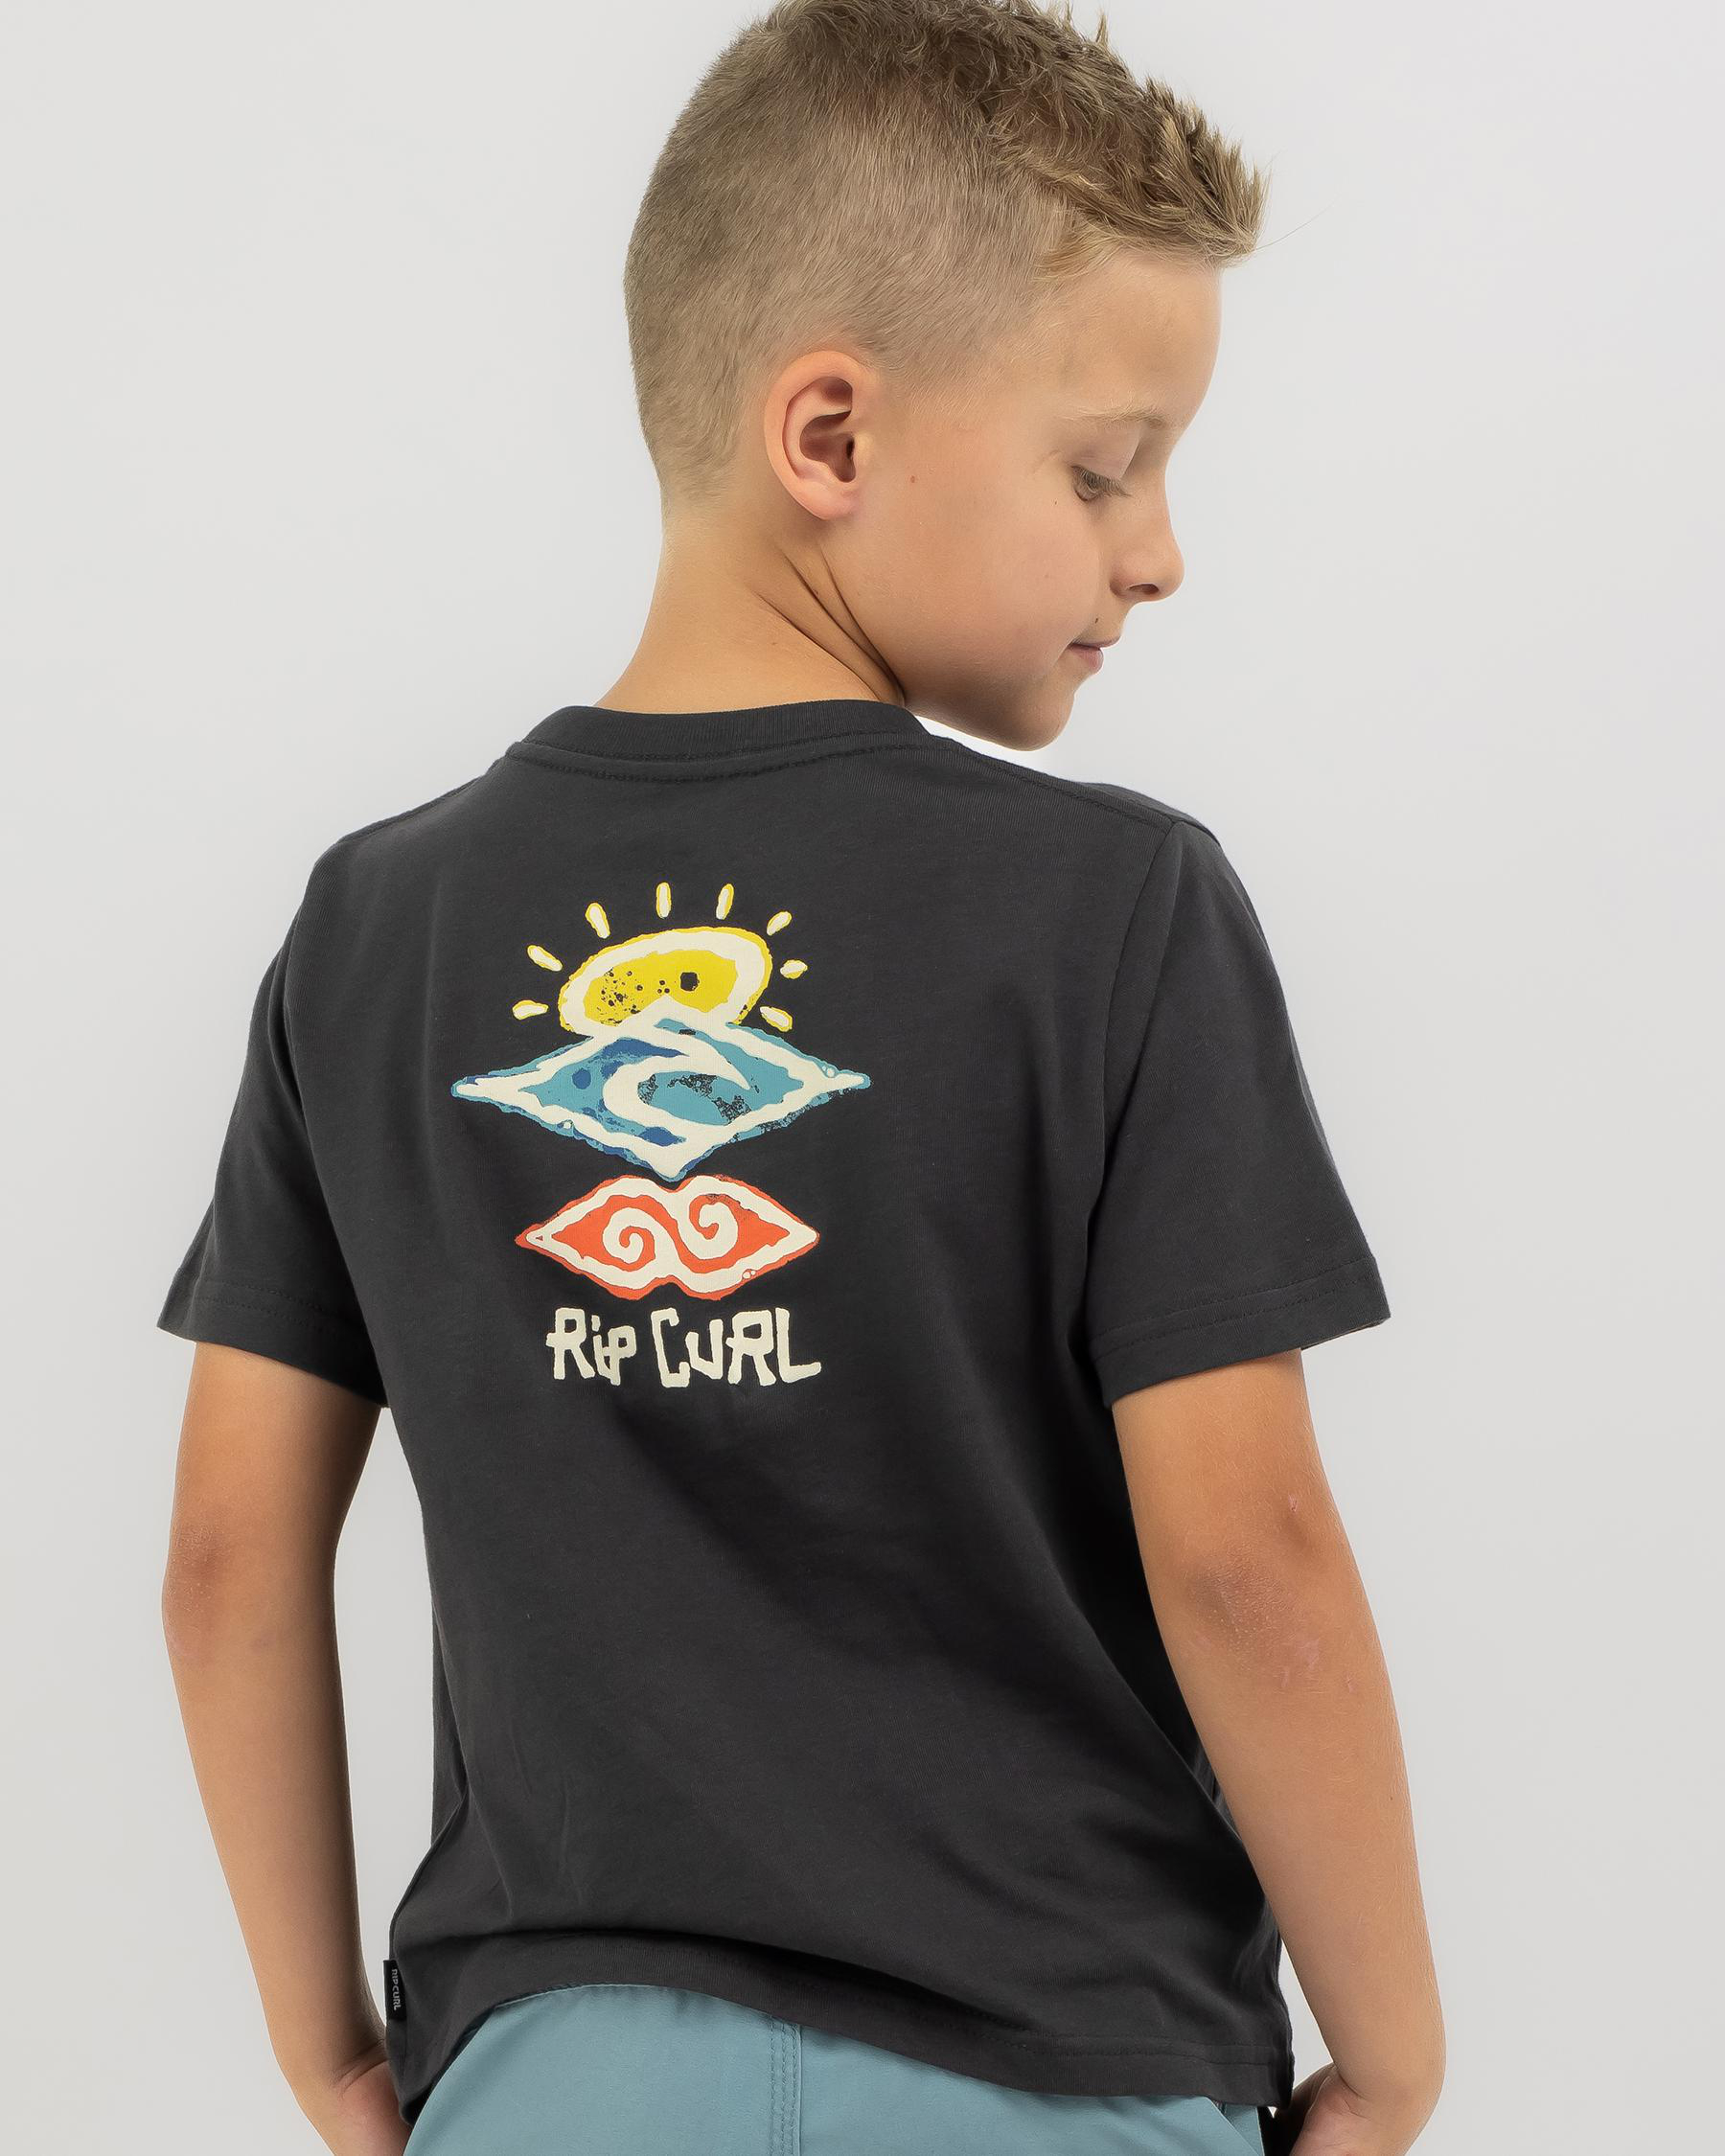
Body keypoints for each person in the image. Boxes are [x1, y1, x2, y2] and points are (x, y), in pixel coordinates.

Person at [155, 2, 1446, 2152]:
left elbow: (224, 1556)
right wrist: (1389, 2053)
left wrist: (332, 2054)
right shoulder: (1118, 910)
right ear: (829, 433)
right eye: (1104, 467)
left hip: (551, 2079)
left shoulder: (373, 930)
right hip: (1059, 2065)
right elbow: (1252, 1557)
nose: (1158, 551)